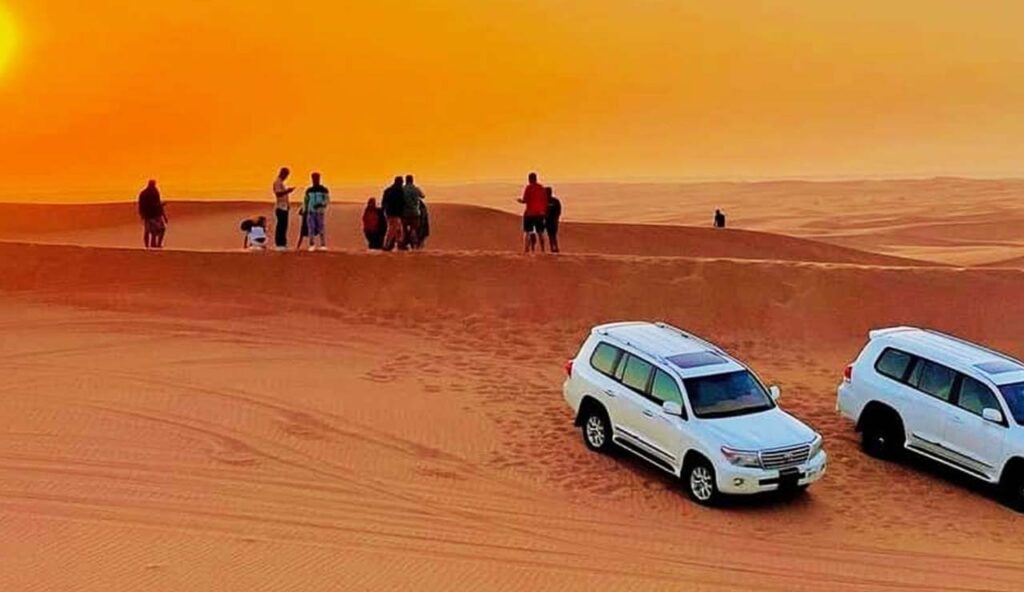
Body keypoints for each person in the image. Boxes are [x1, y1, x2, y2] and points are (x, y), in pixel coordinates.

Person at [517, 172, 547, 253]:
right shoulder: (541, 188)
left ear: (529, 179)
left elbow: (525, 200)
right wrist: (543, 211)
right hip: (540, 213)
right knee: (540, 232)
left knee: (528, 231)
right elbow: (545, 200)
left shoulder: (529, 188)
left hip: (530, 213)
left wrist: (520, 201)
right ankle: (543, 250)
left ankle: (526, 249)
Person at [303, 172, 330, 251]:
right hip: (310, 211)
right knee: (311, 228)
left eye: (316, 178)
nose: (315, 180)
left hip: (319, 211)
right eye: (313, 178)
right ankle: (312, 244)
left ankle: (323, 244)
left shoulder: (323, 189)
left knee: (321, 227)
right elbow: (306, 200)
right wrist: (305, 209)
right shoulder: (309, 190)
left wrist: (321, 204)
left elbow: (327, 200)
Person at [138, 179, 168, 249]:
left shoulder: (143, 193)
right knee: (158, 229)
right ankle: (155, 245)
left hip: (148, 215)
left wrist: (142, 214)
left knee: (149, 230)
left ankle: (150, 245)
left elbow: (140, 205)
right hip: (154, 215)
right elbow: (157, 204)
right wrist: (164, 215)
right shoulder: (154, 192)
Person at [272, 167, 296, 250]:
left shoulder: (281, 183)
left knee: (284, 225)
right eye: (286, 175)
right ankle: (279, 244)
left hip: (284, 207)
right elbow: (278, 194)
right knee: (281, 226)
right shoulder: (277, 182)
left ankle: (283, 243)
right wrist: (288, 191)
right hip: (280, 207)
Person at [381, 176, 406, 251]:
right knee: (393, 229)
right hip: (396, 213)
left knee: (397, 229)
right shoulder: (399, 191)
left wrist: (384, 210)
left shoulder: (387, 190)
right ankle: (387, 245)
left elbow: (383, 202)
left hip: (389, 213)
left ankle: (399, 244)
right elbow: (402, 203)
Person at [402, 174, 425, 249]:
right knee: (414, 228)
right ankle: (414, 243)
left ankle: (404, 243)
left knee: (404, 229)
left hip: (404, 213)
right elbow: (423, 196)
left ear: (406, 180)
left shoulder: (402, 189)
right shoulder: (416, 189)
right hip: (415, 212)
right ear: (412, 180)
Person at [546, 187, 562, 254]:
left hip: (553, 220)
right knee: (550, 235)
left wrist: (557, 218)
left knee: (553, 234)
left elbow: (559, 210)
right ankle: (552, 248)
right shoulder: (545, 201)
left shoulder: (555, 201)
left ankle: (555, 247)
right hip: (548, 220)